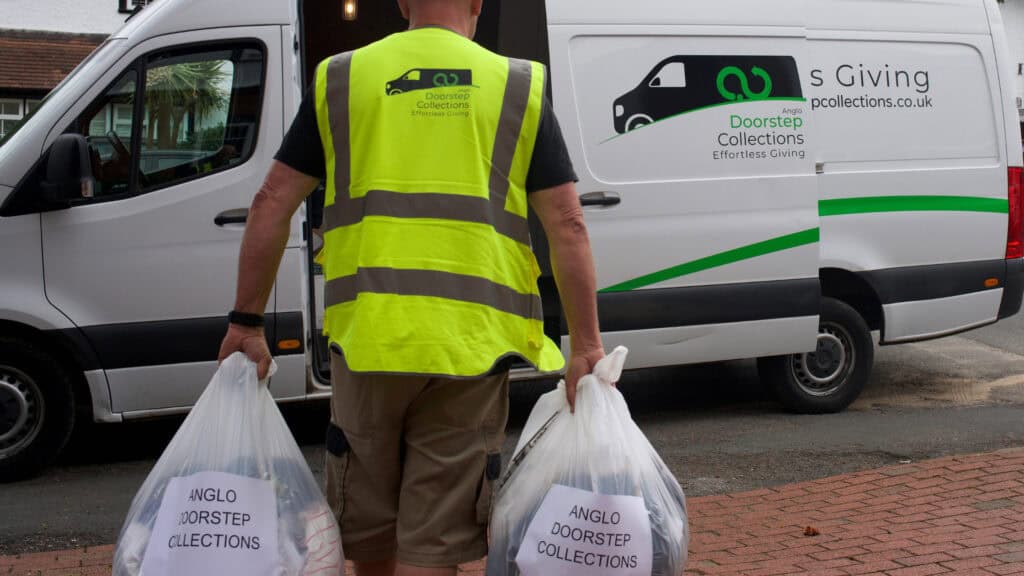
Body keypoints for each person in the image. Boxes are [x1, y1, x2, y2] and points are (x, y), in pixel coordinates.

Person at [217, 0, 603, 574]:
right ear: (476, 3)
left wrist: (246, 322)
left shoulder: (342, 78)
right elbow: (567, 224)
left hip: (370, 342)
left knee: (370, 536)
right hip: (469, 350)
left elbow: (272, 201)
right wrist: (587, 348)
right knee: (432, 545)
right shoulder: (516, 85)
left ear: (401, 3)